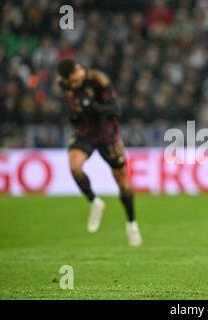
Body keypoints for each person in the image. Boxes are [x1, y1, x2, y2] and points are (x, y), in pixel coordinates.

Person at [56, 58, 142, 247]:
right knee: (74, 167)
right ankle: (95, 202)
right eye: (71, 82)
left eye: (75, 80)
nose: (75, 84)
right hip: (84, 133)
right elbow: (72, 102)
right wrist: (75, 114)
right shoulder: (63, 82)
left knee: (123, 182)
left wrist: (93, 107)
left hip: (107, 134)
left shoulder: (99, 80)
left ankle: (132, 224)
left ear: (79, 69)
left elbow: (116, 110)